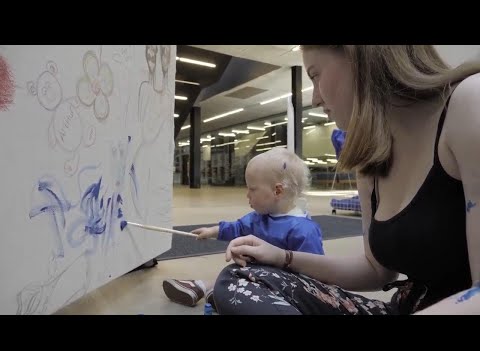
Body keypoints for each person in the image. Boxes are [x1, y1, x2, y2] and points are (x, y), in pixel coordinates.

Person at [212, 45, 480, 315]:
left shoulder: (469, 103)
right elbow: (376, 271)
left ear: (359, 56)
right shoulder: (372, 159)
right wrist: (283, 257)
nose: (316, 98)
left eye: (315, 75)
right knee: (241, 279)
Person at [162, 147, 325, 308]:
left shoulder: (304, 230)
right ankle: (212, 290)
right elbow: (238, 228)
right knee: (235, 269)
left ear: (277, 191)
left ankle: (208, 288)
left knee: (235, 274)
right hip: (256, 277)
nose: (247, 195)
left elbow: (314, 272)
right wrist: (212, 231)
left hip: (285, 288)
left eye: (252, 189)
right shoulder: (259, 218)